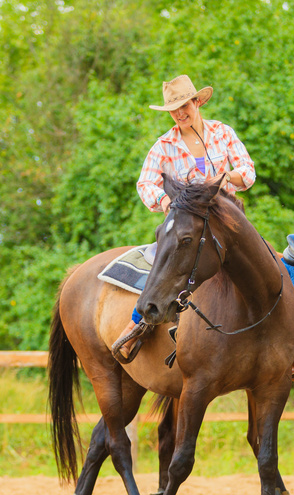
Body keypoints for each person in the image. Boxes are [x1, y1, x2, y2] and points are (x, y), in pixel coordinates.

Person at [114, 75, 256, 359]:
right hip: (187, 223)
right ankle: (137, 323)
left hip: (226, 223)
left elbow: (248, 171)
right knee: (162, 264)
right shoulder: (164, 145)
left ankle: (279, 340)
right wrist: (165, 201)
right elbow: (145, 183)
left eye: (184, 106)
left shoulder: (222, 133)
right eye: (174, 110)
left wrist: (227, 176)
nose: (180, 114)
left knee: (264, 263)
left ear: (197, 102)